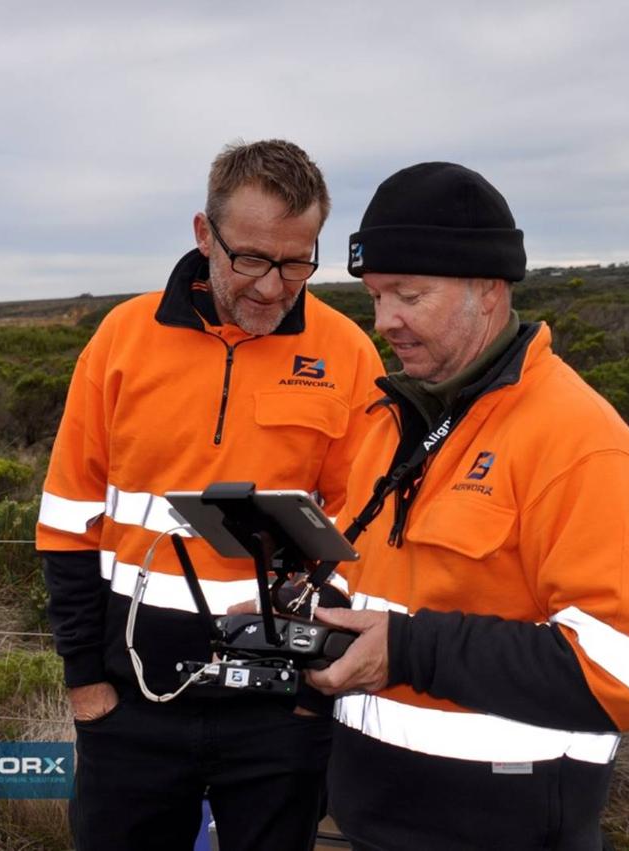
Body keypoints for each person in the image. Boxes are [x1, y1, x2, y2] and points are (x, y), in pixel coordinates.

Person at [306, 162, 629, 850]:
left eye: (407, 294)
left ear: (487, 291)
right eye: (374, 294)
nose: (383, 319)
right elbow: (382, 590)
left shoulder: (581, 445)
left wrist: (410, 651)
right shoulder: (395, 421)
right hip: (369, 821)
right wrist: (300, 614)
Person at [36, 139, 385, 851]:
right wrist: (87, 688)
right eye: (250, 257)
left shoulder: (348, 352)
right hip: (130, 701)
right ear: (204, 233)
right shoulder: (120, 342)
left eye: (296, 261)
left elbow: (366, 532)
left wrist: (315, 688)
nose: (271, 286)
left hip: (282, 715)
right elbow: (68, 521)